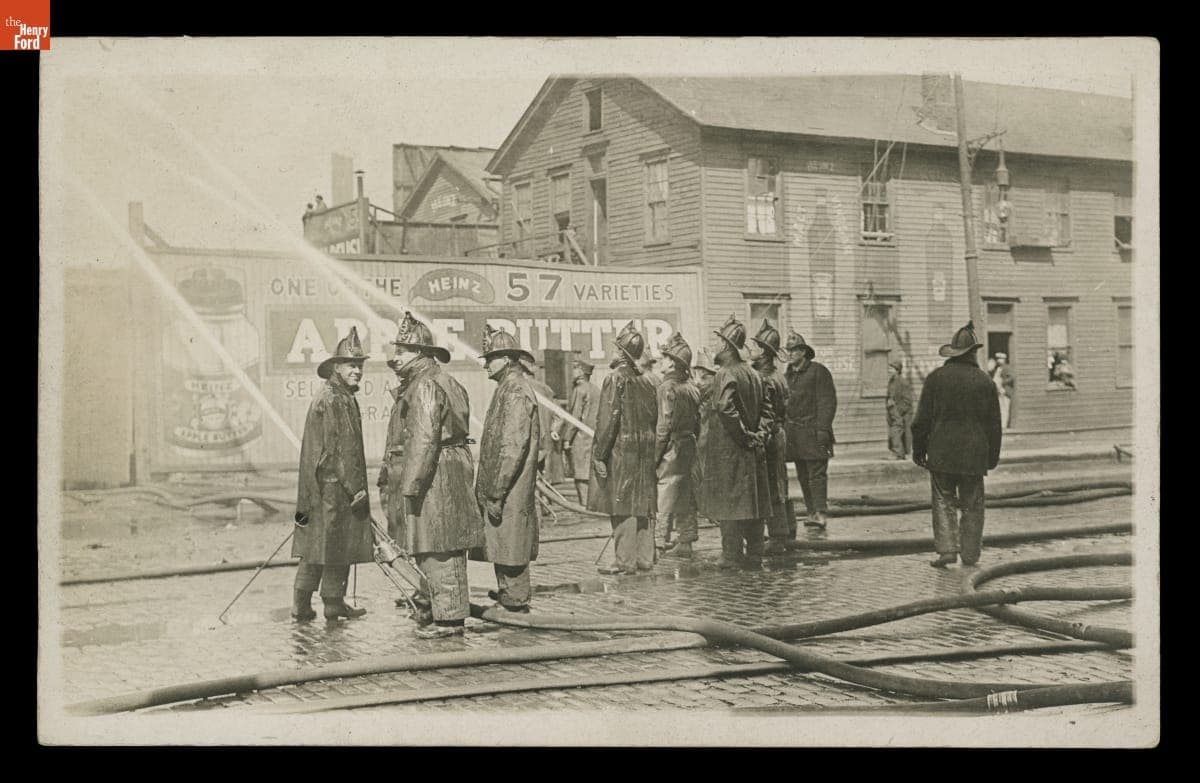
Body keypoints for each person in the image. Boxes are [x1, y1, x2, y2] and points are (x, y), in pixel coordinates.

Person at [379, 312, 485, 638]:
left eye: (402, 352)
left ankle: (449, 620)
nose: (395, 358)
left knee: (439, 544)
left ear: (421, 353)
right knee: (440, 543)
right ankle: (436, 608)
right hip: (447, 468)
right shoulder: (442, 381)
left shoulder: (425, 386)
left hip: (436, 474)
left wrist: (409, 485)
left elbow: (424, 439)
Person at [292, 326, 374, 622]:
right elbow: (341, 452)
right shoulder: (335, 399)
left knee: (319, 546)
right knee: (333, 545)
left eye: (360, 365)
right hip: (334, 488)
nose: (357, 371)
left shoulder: (332, 395)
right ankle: (327, 603)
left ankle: (311, 603)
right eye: (352, 365)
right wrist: (357, 490)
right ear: (337, 367)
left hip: (319, 488)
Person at [912, 321, 1003, 568]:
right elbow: (994, 425)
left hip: (941, 451)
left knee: (943, 500)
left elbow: (921, 421)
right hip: (974, 454)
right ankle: (971, 554)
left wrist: (918, 450)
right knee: (973, 503)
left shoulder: (936, 379)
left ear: (953, 353)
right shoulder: (985, 382)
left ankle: (947, 550)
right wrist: (992, 457)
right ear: (973, 353)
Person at [475, 325, 542, 612]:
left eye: (490, 358)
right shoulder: (509, 387)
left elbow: (512, 448)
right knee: (504, 541)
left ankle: (515, 600)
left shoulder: (514, 391)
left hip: (510, 487)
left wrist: (496, 492)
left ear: (505, 360)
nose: (486, 364)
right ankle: (508, 593)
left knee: (511, 541)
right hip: (506, 487)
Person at [589, 321, 659, 575]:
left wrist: (599, 455)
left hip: (620, 451)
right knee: (643, 503)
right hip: (644, 451)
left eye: (615, 348)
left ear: (621, 353)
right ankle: (644, 558)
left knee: (621, 505)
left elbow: (609, 420)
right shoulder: (648, 382)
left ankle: (624, 560)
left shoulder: (614, 379)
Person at [700, 315, 769, 569]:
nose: (715, 345)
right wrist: (758, 435)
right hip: (752, 450)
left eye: (718, 341)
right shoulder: (754, 374)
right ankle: (755, 553)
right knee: (753, 503)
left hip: (730, 450)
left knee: (730, 505)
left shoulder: (724, 373)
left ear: (727, 345)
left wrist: (743, 436)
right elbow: (767, 410)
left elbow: (725, 409)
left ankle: (731, 555)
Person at [783, 331, 838, 530]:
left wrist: (823, 429)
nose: (790, 353)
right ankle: (810, 512)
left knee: (817, 474)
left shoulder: (818, 371)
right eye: (788, 350)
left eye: (794, 350)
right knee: (803, 475)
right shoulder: (788, 374)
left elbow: (827, 402)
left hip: (814, 432)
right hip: (795, 435)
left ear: (804, 352)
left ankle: (820, 513)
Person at [654, 332, 702, 560]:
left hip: (671, 448)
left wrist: (654, 455)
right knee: (686, 493)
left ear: (672, 362)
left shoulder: (666, 388)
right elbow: (698, 422)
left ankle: (657, 541)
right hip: (689, 444)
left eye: (664, 357)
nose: (660, 361)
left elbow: (663, 426)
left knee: (665, 493)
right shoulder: (692, 387)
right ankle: (686, 540)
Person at [750, 320, 792, 556]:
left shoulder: (766, 378)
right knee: (778, 481)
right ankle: (786, 529)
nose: (752, 350)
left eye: (756, 346)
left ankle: (778, 535)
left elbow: (767, 412)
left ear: (765, 351)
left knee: (773, 484)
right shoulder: (774, 374)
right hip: (776, 432)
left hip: (770, 435)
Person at [554, 356, 600, 505]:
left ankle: (585, 506)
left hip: (580, 439)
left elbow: (575, 418)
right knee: (591, 473)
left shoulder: (579, 390)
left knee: (580, 474)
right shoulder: (596, 389)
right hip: (594, 437)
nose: (572, 371)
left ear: (581, 371)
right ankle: (593, 503)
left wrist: (567, 438)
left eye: (575, 368)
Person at [688, 348, 718, 551]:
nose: (698, 382)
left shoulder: (712, 394)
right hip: (702, 443)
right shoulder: (701, 395)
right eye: (697, 376)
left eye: (704, 377)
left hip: (710, 444)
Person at [886, 358, 914, 460]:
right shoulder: (892, 381)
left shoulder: (903, 382)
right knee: (893, 432)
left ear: (897, 370)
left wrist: (898, 411)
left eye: (891, 368)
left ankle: (898, 454)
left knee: (896, 431)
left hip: (900, 412)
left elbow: (907, 401)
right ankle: (898, 453)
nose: (889, 370)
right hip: (892, 412)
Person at [992, 352, 1015, 428]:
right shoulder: (998, 368)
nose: (999, 360)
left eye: (1001, 359)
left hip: (1004, 391)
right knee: (1000, 409)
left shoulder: (1006, 367)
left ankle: (1004, 426)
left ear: (1004, 360)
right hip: (999, 391)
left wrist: (1002, 382)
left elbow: (1012, 377)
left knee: (1005, 409)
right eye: (998, 359)